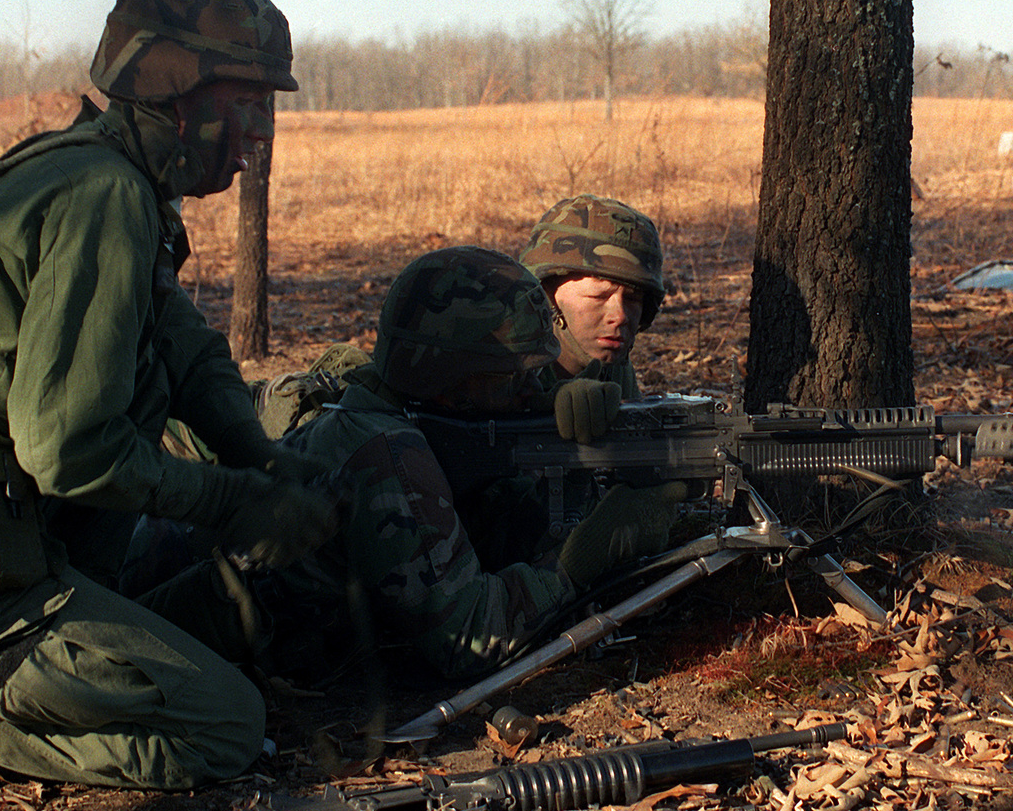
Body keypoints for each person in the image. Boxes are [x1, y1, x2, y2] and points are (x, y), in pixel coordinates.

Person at [0, 0, 339, 789]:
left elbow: (186, 350)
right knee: (223, 724)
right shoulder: (106, 195)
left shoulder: (96, 171)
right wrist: (238, 500)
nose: (258, 131)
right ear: (177, 91)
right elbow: (69, 450)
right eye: (245, 101)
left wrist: (264, 456)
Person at [132, 246, 686, 683]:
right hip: (160, 639)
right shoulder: (388, 451)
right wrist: (578, 561)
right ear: (453, 378)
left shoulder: (402, 405)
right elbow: (468, 638)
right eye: (512, 376)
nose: (529, 388)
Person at [518, 194, 667, 399]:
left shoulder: (613, 364)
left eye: (632, 299)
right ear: (546, 297)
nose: (620, 315)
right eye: (599, 296)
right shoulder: (503, 368)